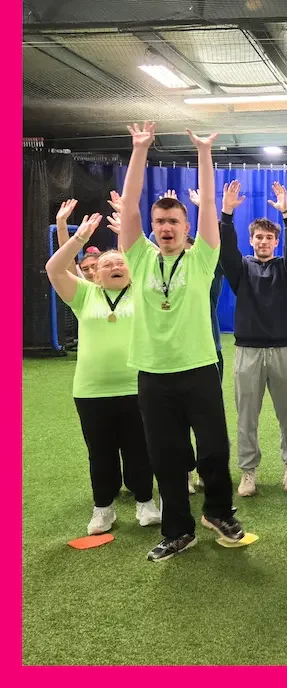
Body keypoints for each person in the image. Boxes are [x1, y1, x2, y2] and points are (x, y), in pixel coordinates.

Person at [118, 122, 244, 562]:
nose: (165, 227)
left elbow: (209, 202)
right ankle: (178, 530)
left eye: (173, 220)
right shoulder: (139, 255)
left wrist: (204, 151)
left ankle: (218, 511)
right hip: (153, 373)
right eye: (160, 221)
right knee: (167, 456)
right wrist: (140, 149)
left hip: (198, 369)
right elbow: (130, 206)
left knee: (213, 449)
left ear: (186, 226)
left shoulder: (202, 258)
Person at [45, 212, 160, 536]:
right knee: (101, 453)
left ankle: (145, 503)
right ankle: (103, 509)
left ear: (131, 270)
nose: (115, 266)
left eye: (120, 262)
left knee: (139, 450)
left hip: (137, 387)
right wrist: (78, 238)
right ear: (95, 273)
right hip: (91, 391)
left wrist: (130, 232)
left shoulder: (143, 294)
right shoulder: (84, 295)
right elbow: (54, 269)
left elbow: (152, 261)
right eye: (107, 264)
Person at [218, 179, 287, 496]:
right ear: (251, 240)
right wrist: (226, 215)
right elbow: (225, 248)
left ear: (276, 241)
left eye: (270, 237)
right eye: (258, 237)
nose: (264, 241)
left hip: (282, 350)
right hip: (248, 352)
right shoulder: (241, 269)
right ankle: (248, 472)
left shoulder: (286, 269)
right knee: (246, 418)